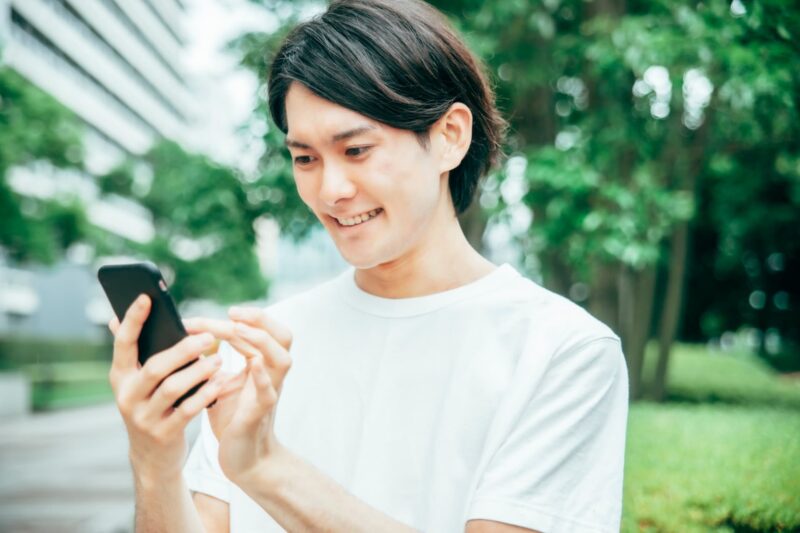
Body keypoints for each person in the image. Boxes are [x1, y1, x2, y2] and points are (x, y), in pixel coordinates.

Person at [107, 0, 629, 531]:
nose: (330, 190)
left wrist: (264, 467)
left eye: (356, 150)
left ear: (450, 136)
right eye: (305, 158)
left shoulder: (561, 352)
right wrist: (155, 460)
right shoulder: (263, 349)